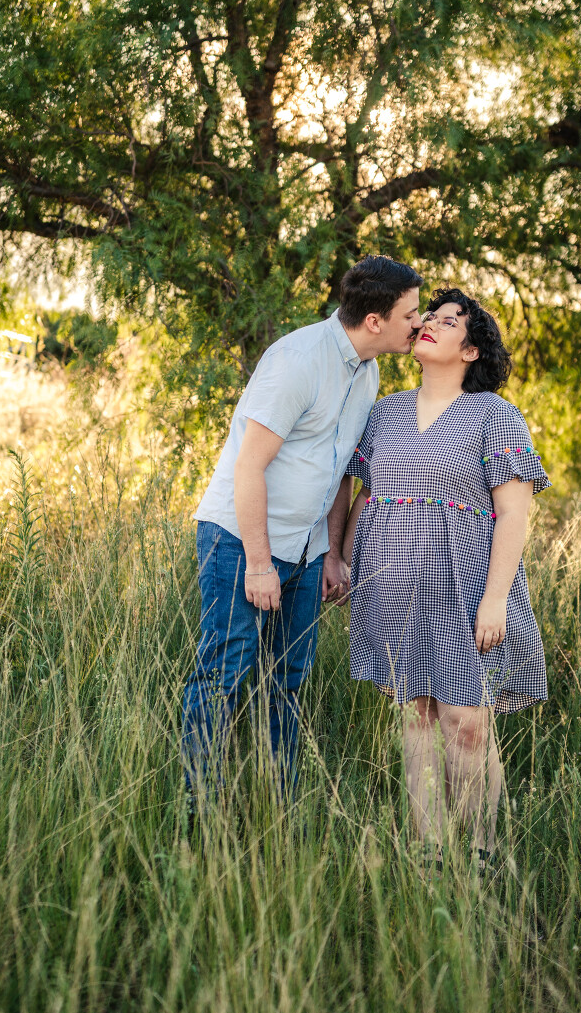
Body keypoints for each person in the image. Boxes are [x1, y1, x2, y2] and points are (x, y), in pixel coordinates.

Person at [181, 255, 424, 807]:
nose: (420, 323)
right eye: (410, 314)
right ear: (375, 321)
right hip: (242, 542)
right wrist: (259, 564)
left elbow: (339, 470)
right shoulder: (297, 360)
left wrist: (332, 554)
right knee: (224, 673)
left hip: (309, 550)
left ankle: (277, 803)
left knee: (288, 679)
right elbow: (249, 467)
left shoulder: (367, 369)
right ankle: (199, 811)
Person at [341, 288, 550, 869]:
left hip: (467, 585)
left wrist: (496, 599)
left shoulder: (495, 416)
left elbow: (513, 513)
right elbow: (366, 497)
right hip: (392, 584)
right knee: (417, 717)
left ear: (470, 351)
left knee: (467, 723)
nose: (430, 323)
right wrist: (343, 562)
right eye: (428, 316)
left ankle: (483, 855)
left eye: (449, 321)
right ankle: (428, 851)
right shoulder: (384, 413)